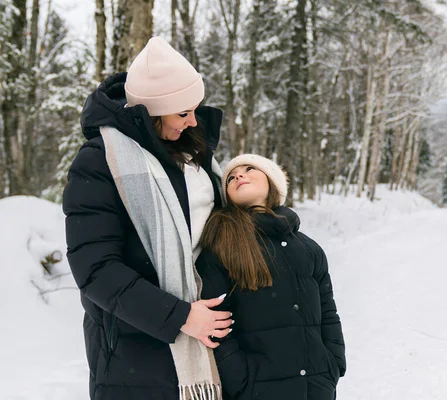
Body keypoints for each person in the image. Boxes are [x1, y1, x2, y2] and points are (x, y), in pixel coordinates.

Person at [63, 37, 231, 400]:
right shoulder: (99, 161)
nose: (192, 122)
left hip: (211, 347)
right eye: (182, 113)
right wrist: (181, 316)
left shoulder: (192, 155)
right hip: (133, 353)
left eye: (195, 110)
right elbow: (94, 268)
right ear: (153, 112)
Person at [197, 154, 346, 400]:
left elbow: (328, 312)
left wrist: (334, 363)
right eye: (231, 177)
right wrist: (241, 380)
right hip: (257, 390)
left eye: (249, 168)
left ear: (273, 181)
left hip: (317, 386)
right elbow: (215, 323)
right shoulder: (222, 245)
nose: (239, 176)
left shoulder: (309, 248)